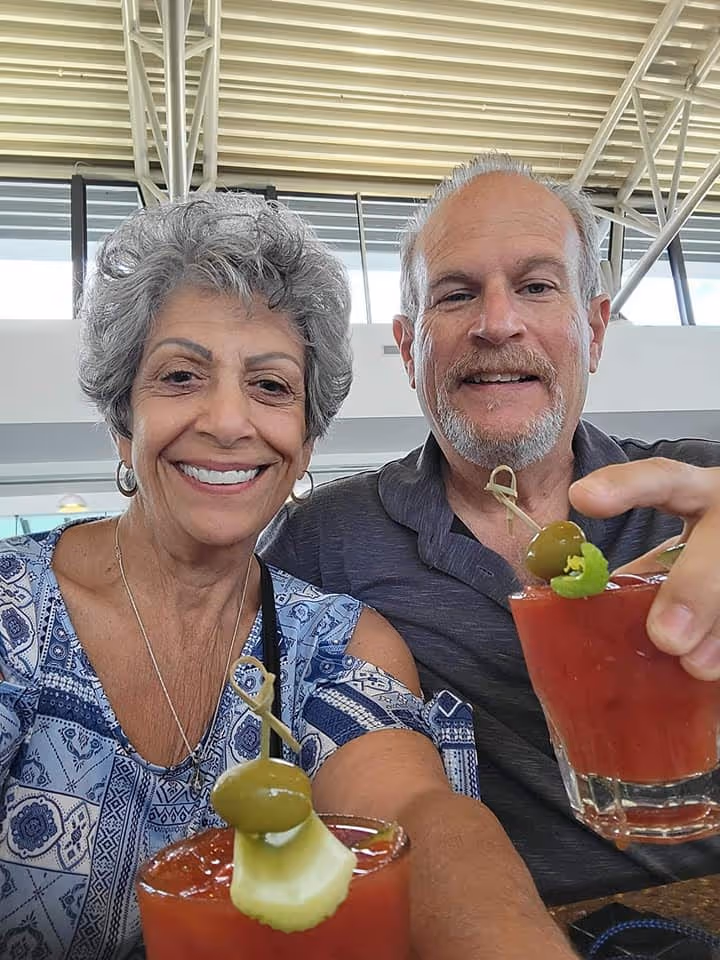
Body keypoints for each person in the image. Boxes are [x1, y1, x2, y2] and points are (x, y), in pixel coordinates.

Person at [0, 191, 577, 960]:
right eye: (179, 377)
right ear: (121, 420)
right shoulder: (16, 616)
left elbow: (414, 813)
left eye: (272, 386)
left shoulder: (333, 642)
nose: (230, 421)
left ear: (304, 446)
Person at [260, 153, 720, 906]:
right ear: (409, 348)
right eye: (456, 294)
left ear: (594, 331)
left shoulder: (699, 492)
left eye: (536, 286)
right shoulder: (321, 541)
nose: (497, 323)